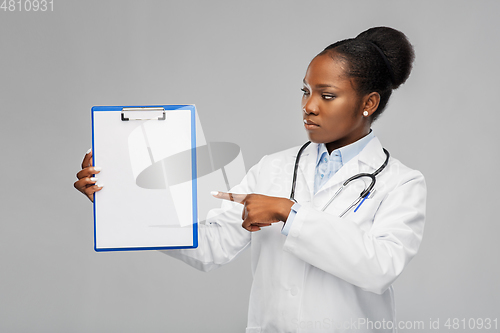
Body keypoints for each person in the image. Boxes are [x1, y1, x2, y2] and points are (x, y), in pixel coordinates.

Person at [74, 26, 426, 333]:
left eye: (327, 95)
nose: (310, 106)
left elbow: (380, 267)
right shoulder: (272, 168)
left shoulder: (401, 183)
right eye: (306, 91)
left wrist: (291, 214)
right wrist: (122, 200)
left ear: (369, 103)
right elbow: (213, 246)